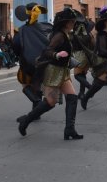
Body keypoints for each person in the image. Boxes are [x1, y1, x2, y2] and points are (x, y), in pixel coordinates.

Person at [17, 8, 84, 139]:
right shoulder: (59, 35)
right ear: (66, 23)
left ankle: (69, 130)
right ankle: (25, 121)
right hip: (53, 72)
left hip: (63, 72)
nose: (74, 24)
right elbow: (46, 51)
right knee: (50, 102)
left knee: (72, 98)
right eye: (72, 21)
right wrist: (56, 54)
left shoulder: (65, 34)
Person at [12, 2, 51, 112]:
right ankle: (36, 111)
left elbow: (15, 45)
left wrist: (20, 55)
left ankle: (36, 102)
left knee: (25, 85)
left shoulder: (21, 30)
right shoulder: (46, 27)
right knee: (37, 85)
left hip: (28, 64)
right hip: (44, 63)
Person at [71, 17, 95, 100]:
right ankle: (81, 93)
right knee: (82, 75)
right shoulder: (88, 34)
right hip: (88, 56)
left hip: (79, 55)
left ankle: (90, 88)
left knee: (77, 75)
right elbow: (93, 44)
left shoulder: (75, 34)